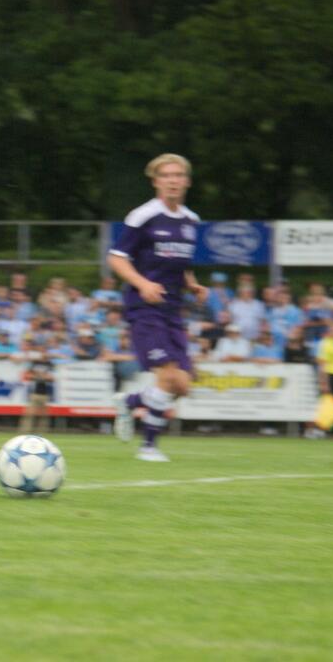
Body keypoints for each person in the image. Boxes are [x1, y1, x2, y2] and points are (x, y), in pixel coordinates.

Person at [107, 153, 208, 462]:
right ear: (156, 181)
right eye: (166, 175)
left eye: (178, 175)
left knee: (184, 385)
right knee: (167, 378)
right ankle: (148, 447)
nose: (173, 180)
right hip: (144, 308)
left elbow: (179, 263)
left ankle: (130, 401)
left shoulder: (191, 221)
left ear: (187, 181)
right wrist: (142, 284)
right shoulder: (143, 216)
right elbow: (116, 257)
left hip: (173, 312)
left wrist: (191, 284)